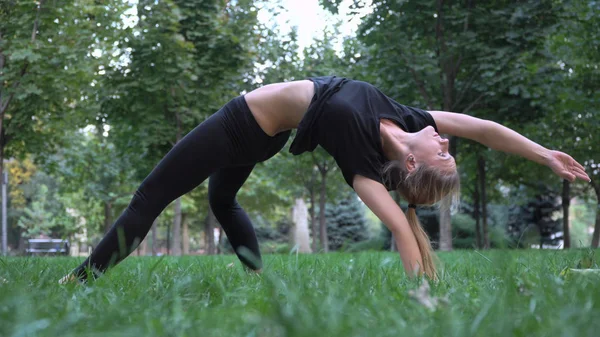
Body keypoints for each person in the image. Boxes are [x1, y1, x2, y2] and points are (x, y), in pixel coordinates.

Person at [59, 76, 590, 283]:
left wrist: (423, 298)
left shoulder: (362, 165)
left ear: (413, 166)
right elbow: (485, 129)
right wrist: (544, 154)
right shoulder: (410, 120)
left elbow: (403, 232)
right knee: (222, 198)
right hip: (264, 131)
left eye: (444, 154)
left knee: (150, 196)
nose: (446, 142)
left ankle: (78, 281)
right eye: (448, 149)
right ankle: (254, 279)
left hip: (242, 124)